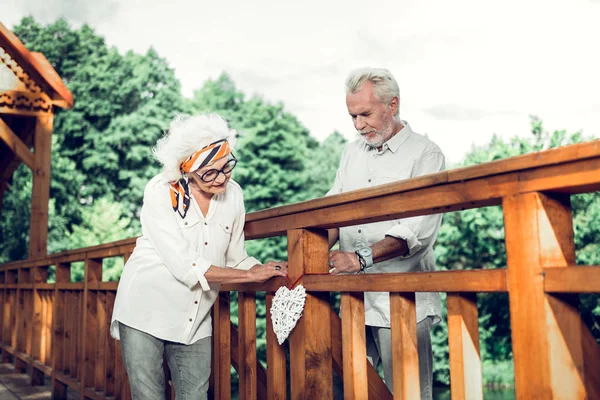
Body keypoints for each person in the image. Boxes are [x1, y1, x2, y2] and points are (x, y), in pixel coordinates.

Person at [110, 114, 288, 400]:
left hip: (194, 319)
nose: (222, 178)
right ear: (188, 169)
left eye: (226, 167)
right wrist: (247, 276)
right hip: (145, 309)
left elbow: (235, 257)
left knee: (195, 396)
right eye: (210, 172)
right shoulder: (160, 191)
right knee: (148, 396)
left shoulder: (234, 195)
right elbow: (184, 266)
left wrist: (266, 269)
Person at [327, 68, 444, 399]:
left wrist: (360, 258)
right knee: (349, 391)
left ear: (393, 105)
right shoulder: (351, 153)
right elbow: (332, 210)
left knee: (408, 394)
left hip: (403, 301)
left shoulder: (426, 153)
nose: (358, 125)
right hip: (354, 299)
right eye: (352, 116)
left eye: (365, 114)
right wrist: (308, 251)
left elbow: (417, 230)